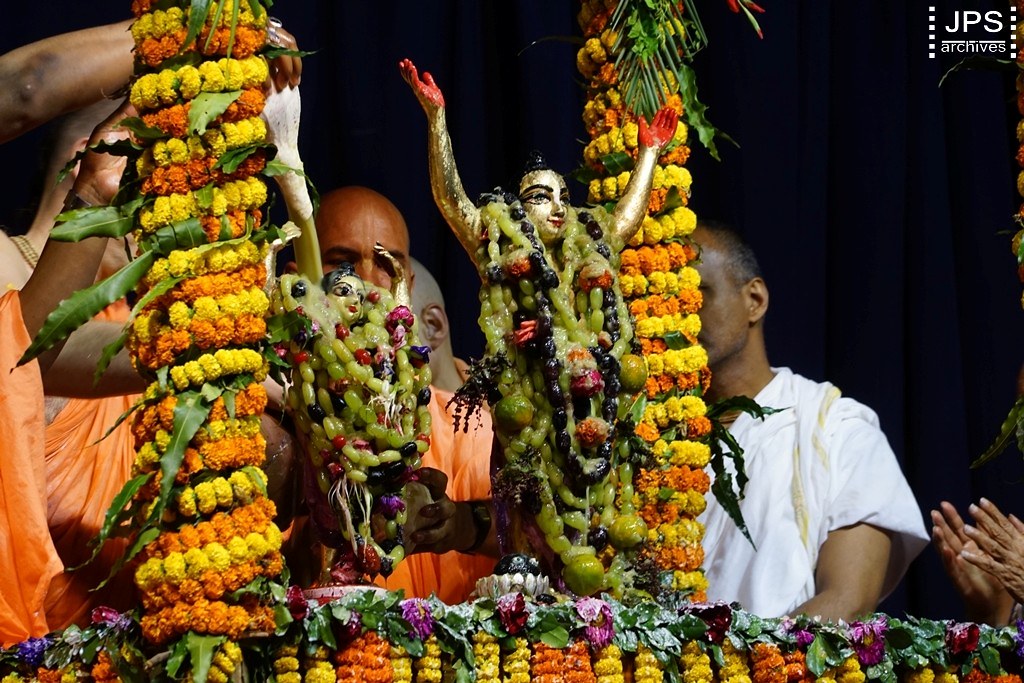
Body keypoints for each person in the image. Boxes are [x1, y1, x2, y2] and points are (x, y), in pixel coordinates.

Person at [693, 221, 929, 621]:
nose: (680, 312)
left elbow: (848, 603)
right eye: (666, 297)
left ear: (755, 300)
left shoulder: (838, 430)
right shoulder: (650, 444)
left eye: (697, 292)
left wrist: (735, 658)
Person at [291, 186, 496, 604]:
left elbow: (534, 531)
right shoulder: (273, 413)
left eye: (387, 265)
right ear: (300, 280)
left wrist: (457, 524)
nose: (367, 283)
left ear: (407, 284)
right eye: (342, 262)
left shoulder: (464, 422)